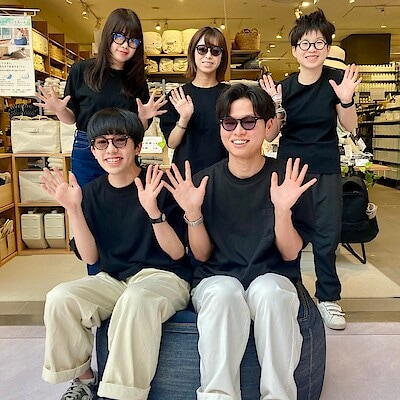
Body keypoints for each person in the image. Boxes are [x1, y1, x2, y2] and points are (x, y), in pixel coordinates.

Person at [164, 83, 317, 400]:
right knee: (224, 292)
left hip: (274, 277)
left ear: (268, 125)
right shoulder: (204, 182)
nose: (238, 131)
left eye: (249, 122)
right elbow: (201, 255)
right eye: (229, 122)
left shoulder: (287, 180)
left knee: (270, 292)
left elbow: (290, 253)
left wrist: (282, 211)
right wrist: (193, 213)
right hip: (216, 279)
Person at [39, 108, 191, 400]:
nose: (111, 149)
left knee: (136, 298)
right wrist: (73, 209)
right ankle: (84, 379)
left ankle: (121, 394)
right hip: (114, 280)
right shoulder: (89, 193)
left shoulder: (159, 184)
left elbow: (176, 254)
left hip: (165, 277)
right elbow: (90, 258)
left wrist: (153, 211)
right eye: (102, 142)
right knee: (61, 297)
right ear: (93, 151)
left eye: (120, 140)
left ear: (137, 146)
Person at [260, 9, 361, 330]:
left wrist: (346, 100)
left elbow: (351, 127)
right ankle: (288, 291)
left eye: (318, 43)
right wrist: (275, 105)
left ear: (327, 48)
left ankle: (328, 297)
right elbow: (269, 136)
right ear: (294, 50)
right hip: (291, 170)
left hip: (327, 168)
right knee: (286, 232)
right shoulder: (285, 88)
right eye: (304, 44)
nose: (312, 49)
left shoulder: (335, 83)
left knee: (327, 235)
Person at [35, 8, 167, 188]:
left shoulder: (137, 79)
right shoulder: (81, 70)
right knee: (86, 199)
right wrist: (59, 110)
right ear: (107, 36)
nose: (125, 45)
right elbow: (71, 118)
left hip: (123, 147)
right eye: (119, 37)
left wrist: (143, 118)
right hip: (87, 146)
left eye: (132, 41)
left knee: (124, 199)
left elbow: (139, 129)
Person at [160, 26, 229, 175]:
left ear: (222, 57)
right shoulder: (177, 96)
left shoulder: (230, 96)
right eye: (202, 49)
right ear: (192, 52)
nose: (208, 56)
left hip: (223, 174)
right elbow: (171, 143)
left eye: (215, 51)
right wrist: (184, 119)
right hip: (186, 175)